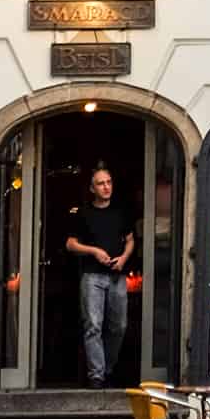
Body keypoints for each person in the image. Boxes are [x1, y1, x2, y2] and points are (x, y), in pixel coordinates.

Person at [65, 165, 134, 389]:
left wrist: (123, 258)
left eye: (109, 182)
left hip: (117, 275)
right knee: (93, 325)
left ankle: (107, 368)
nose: (106, 187)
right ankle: (97, 375)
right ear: (92, 189)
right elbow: (70, 244)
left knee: (119, 326)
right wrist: (94, 251)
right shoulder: (83, 213)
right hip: (92, 277)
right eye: (101, 184)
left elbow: (131, 239)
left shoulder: (121, 211)